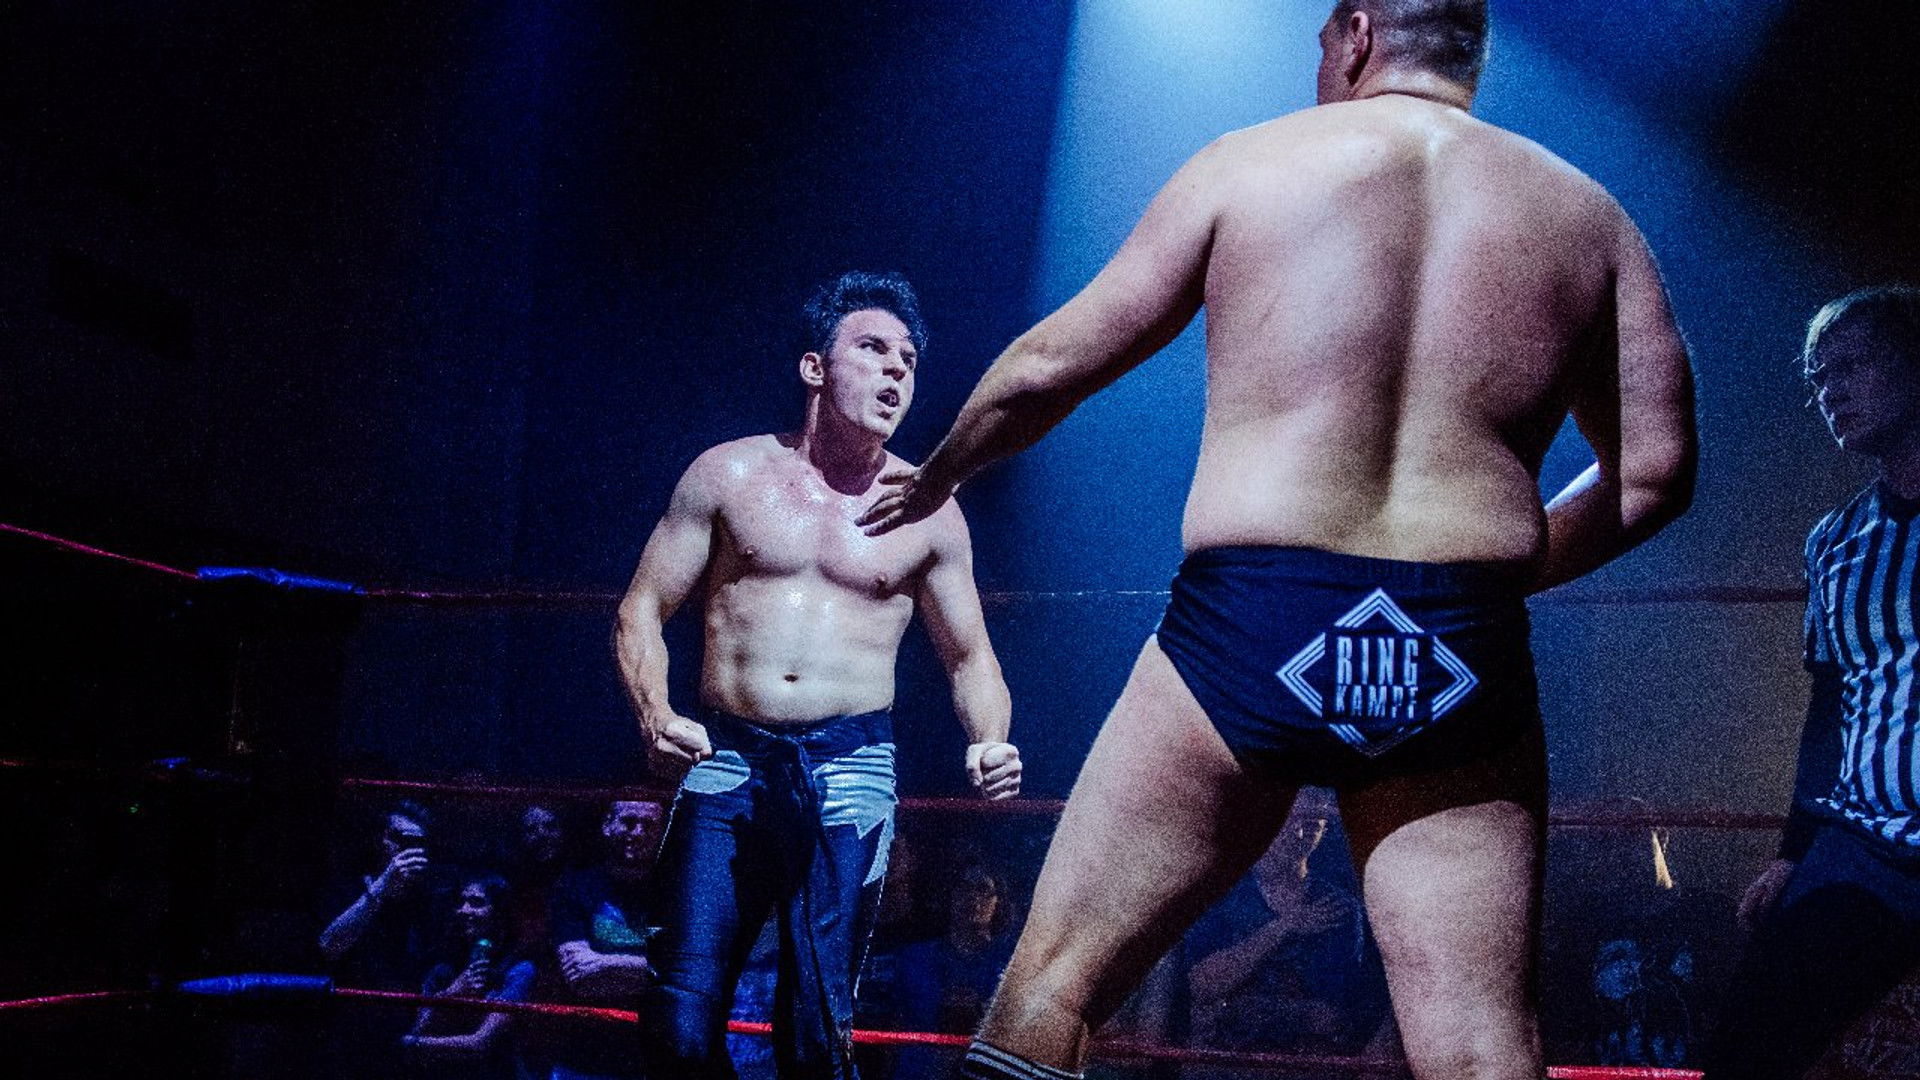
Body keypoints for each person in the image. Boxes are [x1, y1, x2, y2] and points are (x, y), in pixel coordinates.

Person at [858, 2, 1697, 1077]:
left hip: (1250, 620)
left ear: (1357, 34)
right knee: (1481, 1047)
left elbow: (1045, 369)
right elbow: (1657, 472)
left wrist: (940, 474)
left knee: (1054, 987)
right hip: (1456, 640)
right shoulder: (1588, 217)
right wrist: (1486, 586)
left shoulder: (1248, 166)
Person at [614, 271, 1024, 1079]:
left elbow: (971, 655)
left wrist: (989, 738)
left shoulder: (929, 511)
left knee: (814, 1029)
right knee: (679, 1021)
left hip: (852, 765)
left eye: (909, 360)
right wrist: (654, 713)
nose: (897, 369)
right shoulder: (728, 475)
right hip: (728, 756)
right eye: (872, 349)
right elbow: (642, 608)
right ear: (814, 367)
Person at [1705, 286, 1920, 1080]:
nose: (1831, 392)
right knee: (1744, 1047)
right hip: (1868, 844)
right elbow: (1830, 703)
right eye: (1818, 378)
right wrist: (1795, 853)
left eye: (1852, 366)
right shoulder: (1836, 541)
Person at [1184, 790, 1392, 1060]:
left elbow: (1334, 1014)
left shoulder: (1337, 908)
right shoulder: (1222, 894)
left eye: (1312, 825)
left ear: (1324, 831)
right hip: (1221, 1061)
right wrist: (1284, 926)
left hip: (1303, 1063)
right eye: (1287, 820)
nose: (1298, 834)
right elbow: (1202, 986)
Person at [548, 799, 668, 1080]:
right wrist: (654, 972)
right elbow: (579, 977)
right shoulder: (574, 887)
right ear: (607, 825)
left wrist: (604, 963)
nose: (638, 832)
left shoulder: (677, 892)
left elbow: (684, 976)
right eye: (628, 822)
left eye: (649, 825)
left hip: (654, 1056)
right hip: (583, 1055)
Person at [403, 874, 538, 1080]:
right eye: (461, 902)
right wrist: (452, 993)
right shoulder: (442, 969)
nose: (464, 910)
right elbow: (419, 1029)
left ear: (499, 913)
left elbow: (479, 1044)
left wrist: (412, 1045)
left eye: (476, 903)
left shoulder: (519, 970)